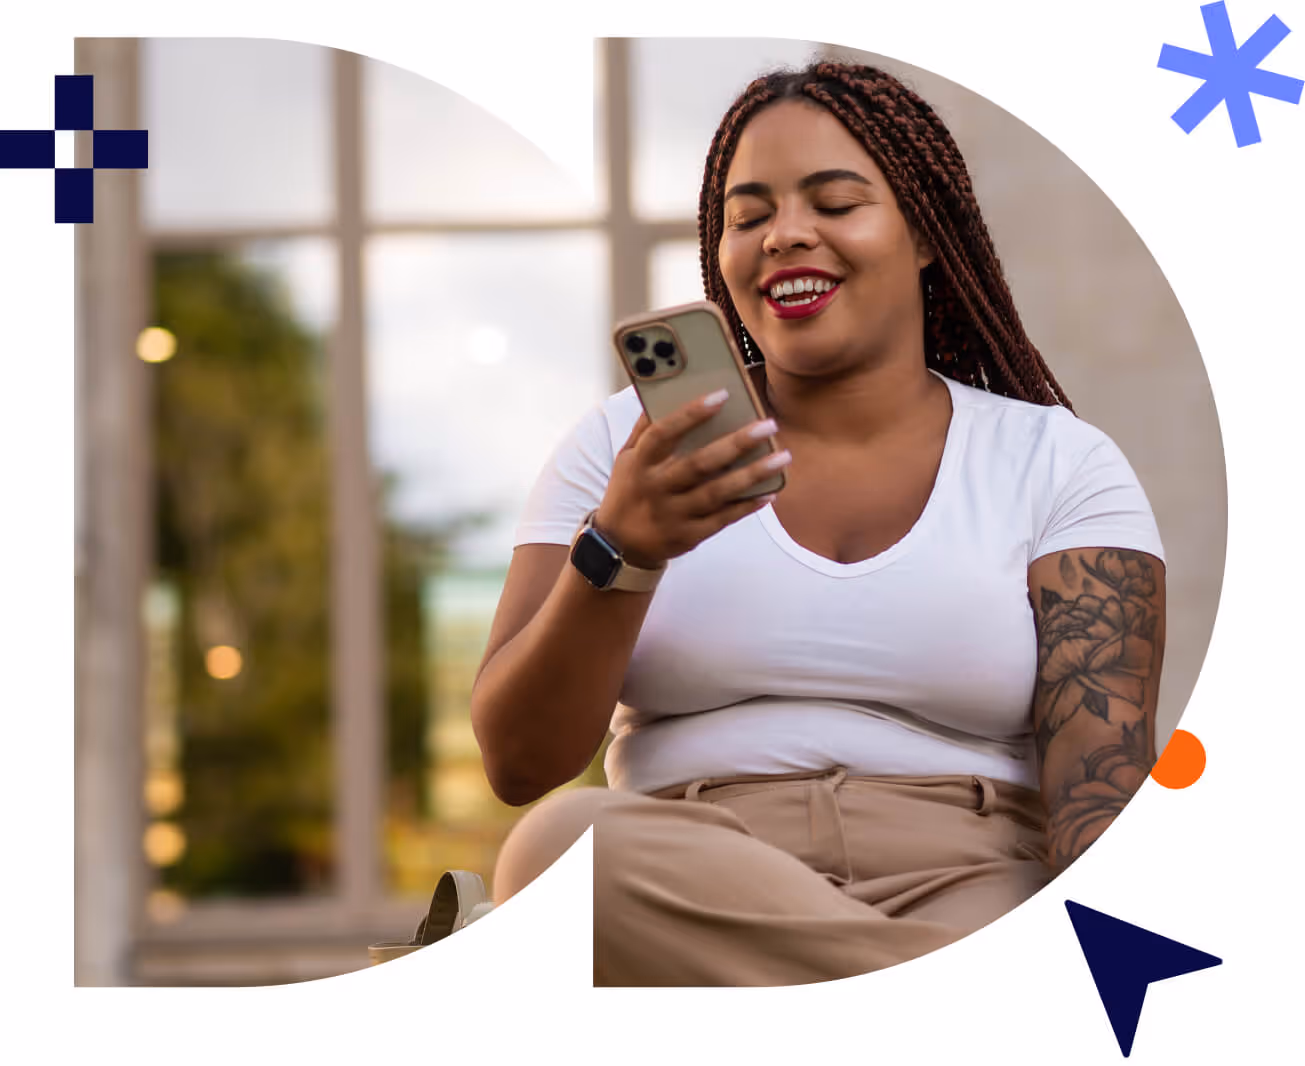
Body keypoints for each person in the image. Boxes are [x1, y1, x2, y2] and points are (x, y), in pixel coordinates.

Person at [469, 61, 1166, 986]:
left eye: (834, 203)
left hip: (970, 877)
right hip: (691, 882)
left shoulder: (1058, 465)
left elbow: (1100, 802)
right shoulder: (620, 450)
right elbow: (521, 764)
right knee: (559, 850)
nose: (784, 236)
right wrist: (624, 549)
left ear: (924, 232)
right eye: (747, 217)